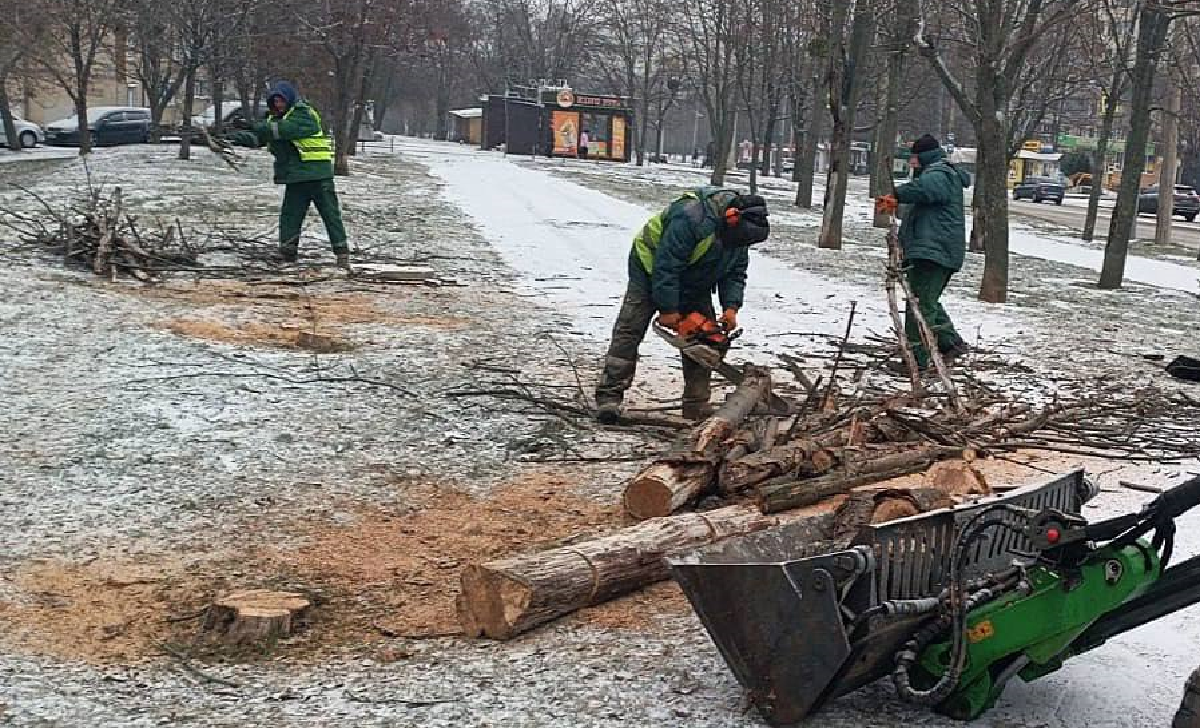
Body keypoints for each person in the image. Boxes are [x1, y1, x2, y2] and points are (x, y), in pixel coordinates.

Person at [595, 188, 770, 423]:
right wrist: (669, 309)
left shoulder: (740, 235)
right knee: (630, 329)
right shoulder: (690, 218)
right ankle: (609, 396)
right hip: (650, 268)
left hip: (694, 278)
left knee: (707, 339)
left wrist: (731, 307)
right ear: (731, 217)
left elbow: (735, 273)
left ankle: (696, 403)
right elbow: (666, 265)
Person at [228, 81, 349, 267]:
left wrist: (254, 125)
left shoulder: (304, 113)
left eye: (281, 100)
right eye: (275, 101)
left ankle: (342, 253)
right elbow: (259, 138)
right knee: (290, 215)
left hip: (317, 175)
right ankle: (287, 253)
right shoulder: (273, 120)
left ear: (289, 99)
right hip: (296, 176)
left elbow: (285, 130)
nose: (278, 105)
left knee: (330, 214)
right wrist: (231, 137)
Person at [875, 134, 971, 369]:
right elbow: (923, 204)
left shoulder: (940, 173)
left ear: (925, 156)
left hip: (934, 252)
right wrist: (897, 206)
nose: (911, 162)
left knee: (918, 305)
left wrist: (896, 194)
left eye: (914, 158)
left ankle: (916, 361)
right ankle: (950, 343)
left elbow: (924, 190)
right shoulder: (939, 174)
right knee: (926, 300)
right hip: (934, 251)